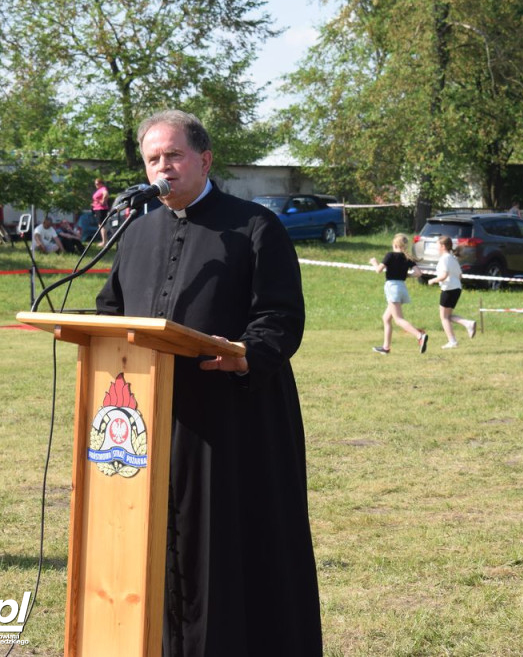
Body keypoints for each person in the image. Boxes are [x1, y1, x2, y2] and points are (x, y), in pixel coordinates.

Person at [95, 109, 321, 656]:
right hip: (151, 417)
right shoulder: (136, 230)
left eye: (173, 156)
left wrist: (247, 353)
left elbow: (281, 315)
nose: (163, 168)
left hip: (232, 417)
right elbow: (111, 311)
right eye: (154, 160)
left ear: (204, 159)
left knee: (227, 545)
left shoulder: (253, 225)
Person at [368, 233, 428, 354]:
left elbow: (378, 270)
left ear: (395, 244)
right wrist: (407, 275)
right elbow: (418, 273)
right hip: (401, 287)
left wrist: (374, 262)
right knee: (386, 318)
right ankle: (386, 347)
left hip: (392, 288)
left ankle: (419, 336)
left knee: (398, 319)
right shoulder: (407, 257)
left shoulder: (390, 255)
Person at [426, 235, 477, 348]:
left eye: (437, 246)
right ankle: (467, 324)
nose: (437, 248)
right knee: (447, 316)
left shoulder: (444, 258)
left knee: (444, 317)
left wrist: (433, 280)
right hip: (457, 288)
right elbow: (459, 275)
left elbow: (444, 275)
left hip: (448, 289)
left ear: (443, 246)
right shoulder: (453, 258)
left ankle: (453, 341)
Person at [91, 178, 110, 245]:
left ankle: (104, 242)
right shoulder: (99, 190)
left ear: (101, 183)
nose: (96, 185)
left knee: (102, 225)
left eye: (97, 184)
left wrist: (103, 201)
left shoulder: (103, 189)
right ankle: (104, 241)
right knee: (100, 225)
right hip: (97, 209)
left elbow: (106, 194)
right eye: (95, 184)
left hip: (101, 209)